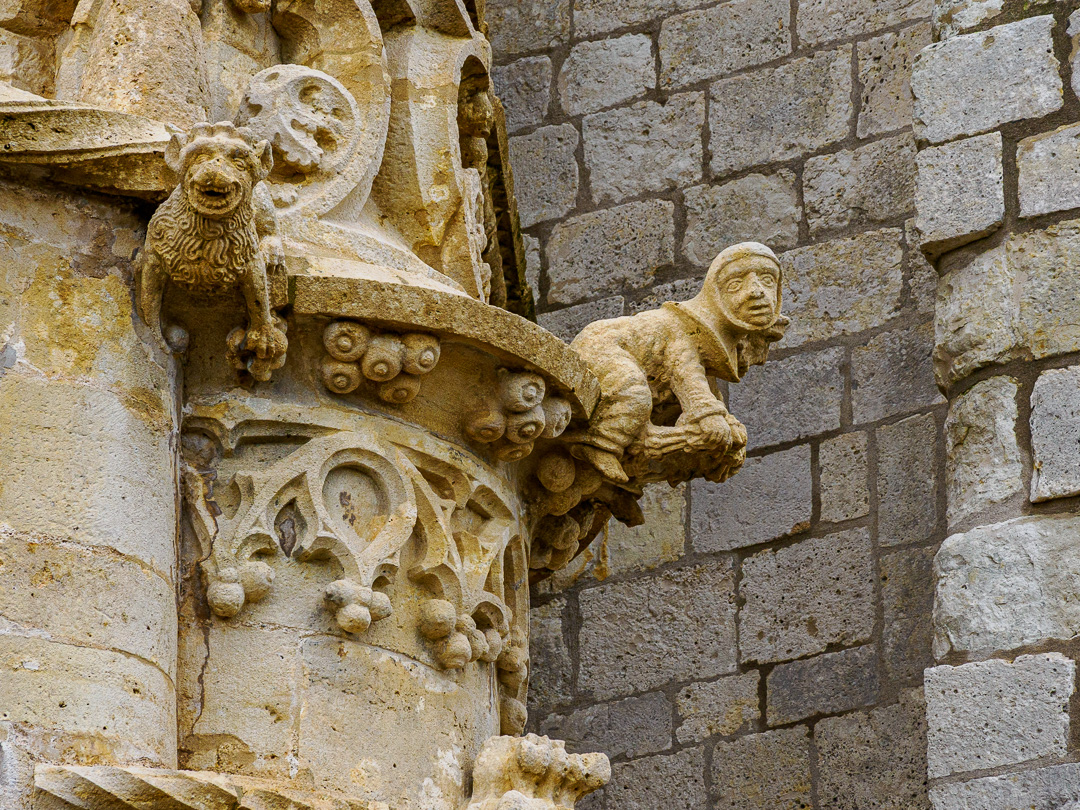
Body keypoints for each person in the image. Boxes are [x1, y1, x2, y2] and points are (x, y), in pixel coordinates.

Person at [568, 242, 789, 484]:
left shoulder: (708, 356)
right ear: (717, 295)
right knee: (633, 395)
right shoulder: (685, 328)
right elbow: (685, 371)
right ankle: (602, 444)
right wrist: (708, 416)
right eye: (736, 284)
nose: (756, 291)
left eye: (768, 281)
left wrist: (725, 424)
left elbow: (704, 389)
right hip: (604, 347)